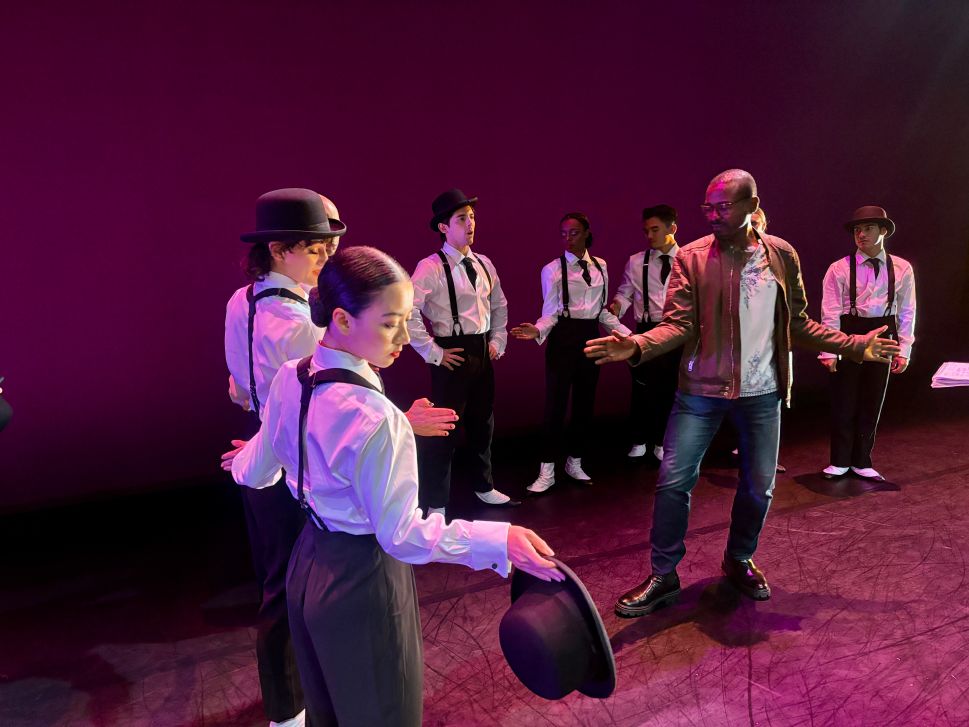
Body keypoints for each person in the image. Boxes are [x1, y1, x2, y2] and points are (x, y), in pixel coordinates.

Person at [222, 246, 562, 726]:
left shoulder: (288, 378)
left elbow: (257, 473)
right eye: (389, 323)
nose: (403, 337)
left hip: (306, 569)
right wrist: (497, 538)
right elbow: (400, 534)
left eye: (405, 320)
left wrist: (248, 458)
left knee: (329, 714)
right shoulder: (377, 418)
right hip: (363, 581)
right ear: (341, 318)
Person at [584, 170, 900, 615]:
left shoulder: (781, 255)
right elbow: (679, 324)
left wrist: (856, 345)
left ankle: (739, 559)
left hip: (762, 392)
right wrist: (636, 344)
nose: (712, 215)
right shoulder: (692, 258)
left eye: (722, 207)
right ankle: (664, 573)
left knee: (759, 488)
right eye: (707, 208)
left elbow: (798, 324)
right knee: (673, 482)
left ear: (752, 205)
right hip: (700, 390)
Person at [224, 189, 456, 727]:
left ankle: (290, 708)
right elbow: (337, 406)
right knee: (324, 614)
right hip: (306, 460)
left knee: (284, 590)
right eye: (317, 248)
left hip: (278, 446)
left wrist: (264, 436)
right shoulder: (310, 326)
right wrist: (402, 422)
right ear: (281, 249)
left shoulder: (241, 301)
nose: (328, 258)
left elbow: (239, 384)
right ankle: (296, 706)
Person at [408, 189, 518, 515]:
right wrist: (433, 351)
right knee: (444, 429)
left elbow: (499, 305)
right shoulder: (430, 267)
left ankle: (484, 487)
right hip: (451, 352)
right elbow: (407, 312)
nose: (470, 223)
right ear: (443, 227)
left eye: (472, 217)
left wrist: (497, 341)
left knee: (483, 423)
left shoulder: (484, 263)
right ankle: (436, 502)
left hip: (482, 350)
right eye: (461, 218)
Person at [511, 212, 631, 494]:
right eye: (563, 233)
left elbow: (601, 312)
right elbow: (550, 313)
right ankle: (547, 470)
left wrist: (629, 335)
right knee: (555, 407)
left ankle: (574, 462)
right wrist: (537, 330)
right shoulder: (552, 270)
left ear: (587, 232)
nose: (568, 238)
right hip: (563, 339)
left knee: (584, 405)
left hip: (591, 338)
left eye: (574, 232)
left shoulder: (601, 266)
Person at [819, 205, 916, 482]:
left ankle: (862, 460)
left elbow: (908, 310)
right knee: (844, 399)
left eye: (868, 228)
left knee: (872, 399)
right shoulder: (839, 268)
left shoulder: (902, 268)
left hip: (884, 333)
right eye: (857, 230)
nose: (861, 234)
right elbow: (830, 312)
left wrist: (904, 349)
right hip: (850, 333)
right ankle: (839, 460)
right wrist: (830, 349)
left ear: (883, 231)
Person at [609, 204, 682, 464]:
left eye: (655, 229)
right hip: (647, 329)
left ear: (672, 228)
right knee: (642, 387)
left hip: (676, 331)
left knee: (671, 388)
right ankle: (639, 439)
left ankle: (663, 441)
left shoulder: (687, 259)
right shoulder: (637, 261)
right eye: (646, 231)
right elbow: (625, 292)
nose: (650, 236)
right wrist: (617, 305)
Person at [729, 208, 786, 473]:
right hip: (737, 343)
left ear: (765, 224)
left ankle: (762, 455)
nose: (752, 228)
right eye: (747, 223)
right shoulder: (728, 257)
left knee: (767, 397)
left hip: (769, 346)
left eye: (757, 223)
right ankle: (744, 447)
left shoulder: (778, 255)